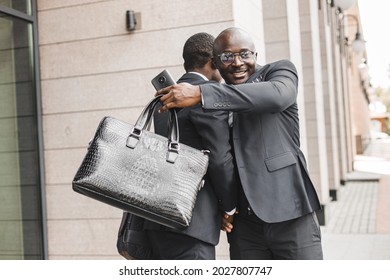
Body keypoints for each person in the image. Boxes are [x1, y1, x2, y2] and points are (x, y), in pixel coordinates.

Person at [156, 27, 324, 260]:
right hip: (243, 227)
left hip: (291, 214)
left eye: (244, 54)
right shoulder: (213, 97)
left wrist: (203, 94)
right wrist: (227, 207)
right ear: (215, 62)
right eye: (227, 56)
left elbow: (277, 96)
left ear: (255, 55)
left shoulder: (279, 72)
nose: (237, 62)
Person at [117, 32, 239, 260]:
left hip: (156, 218)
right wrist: (229, 208)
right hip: (192, 223)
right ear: (213, 62)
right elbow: (220, 159)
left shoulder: (165, 97)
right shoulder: (207, 99)